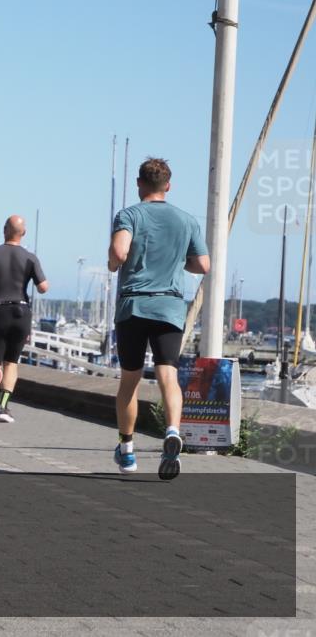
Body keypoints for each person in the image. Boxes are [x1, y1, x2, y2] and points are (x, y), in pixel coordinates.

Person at [108, 158, 209, 479]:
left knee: (130, 380)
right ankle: (173, 431)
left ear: (139, 183)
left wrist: (112, 263)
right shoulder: (187, 220)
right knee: (168, 374)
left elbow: (119, 252)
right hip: (169, 306)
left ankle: (127, 450)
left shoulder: (129, 215)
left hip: (134, 306)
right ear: (168, 185)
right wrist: (179, 263)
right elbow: (203, 265)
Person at [0, 215, 49, 424]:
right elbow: (43, 287)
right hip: (22, 312)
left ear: (4, 230)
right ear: (24, 233)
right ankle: (3, 408)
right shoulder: (30, 258)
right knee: (12, 362)